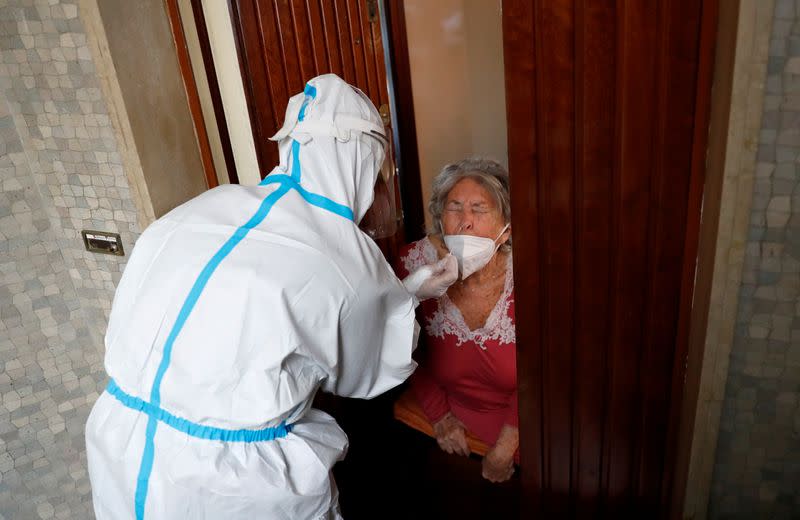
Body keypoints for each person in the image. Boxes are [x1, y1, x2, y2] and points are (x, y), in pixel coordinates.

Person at [85, 74, 457, 520]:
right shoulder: (345, 254)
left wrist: (402, 293)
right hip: (232, 485)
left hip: (122, 446)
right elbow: (368, 372)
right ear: (362, 160)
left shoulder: (198, 210)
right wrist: (405, 301)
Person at [395, 157, 518, 484]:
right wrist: (440, 417)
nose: (465, 221)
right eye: (454, 207)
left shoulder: (531, 276)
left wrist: (506, 447)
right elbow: (404, 350)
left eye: (479, 209)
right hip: (450, 421)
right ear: (440, 219)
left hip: (522, 425)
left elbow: (548, 372)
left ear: (506, 230)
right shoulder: (414, 266)